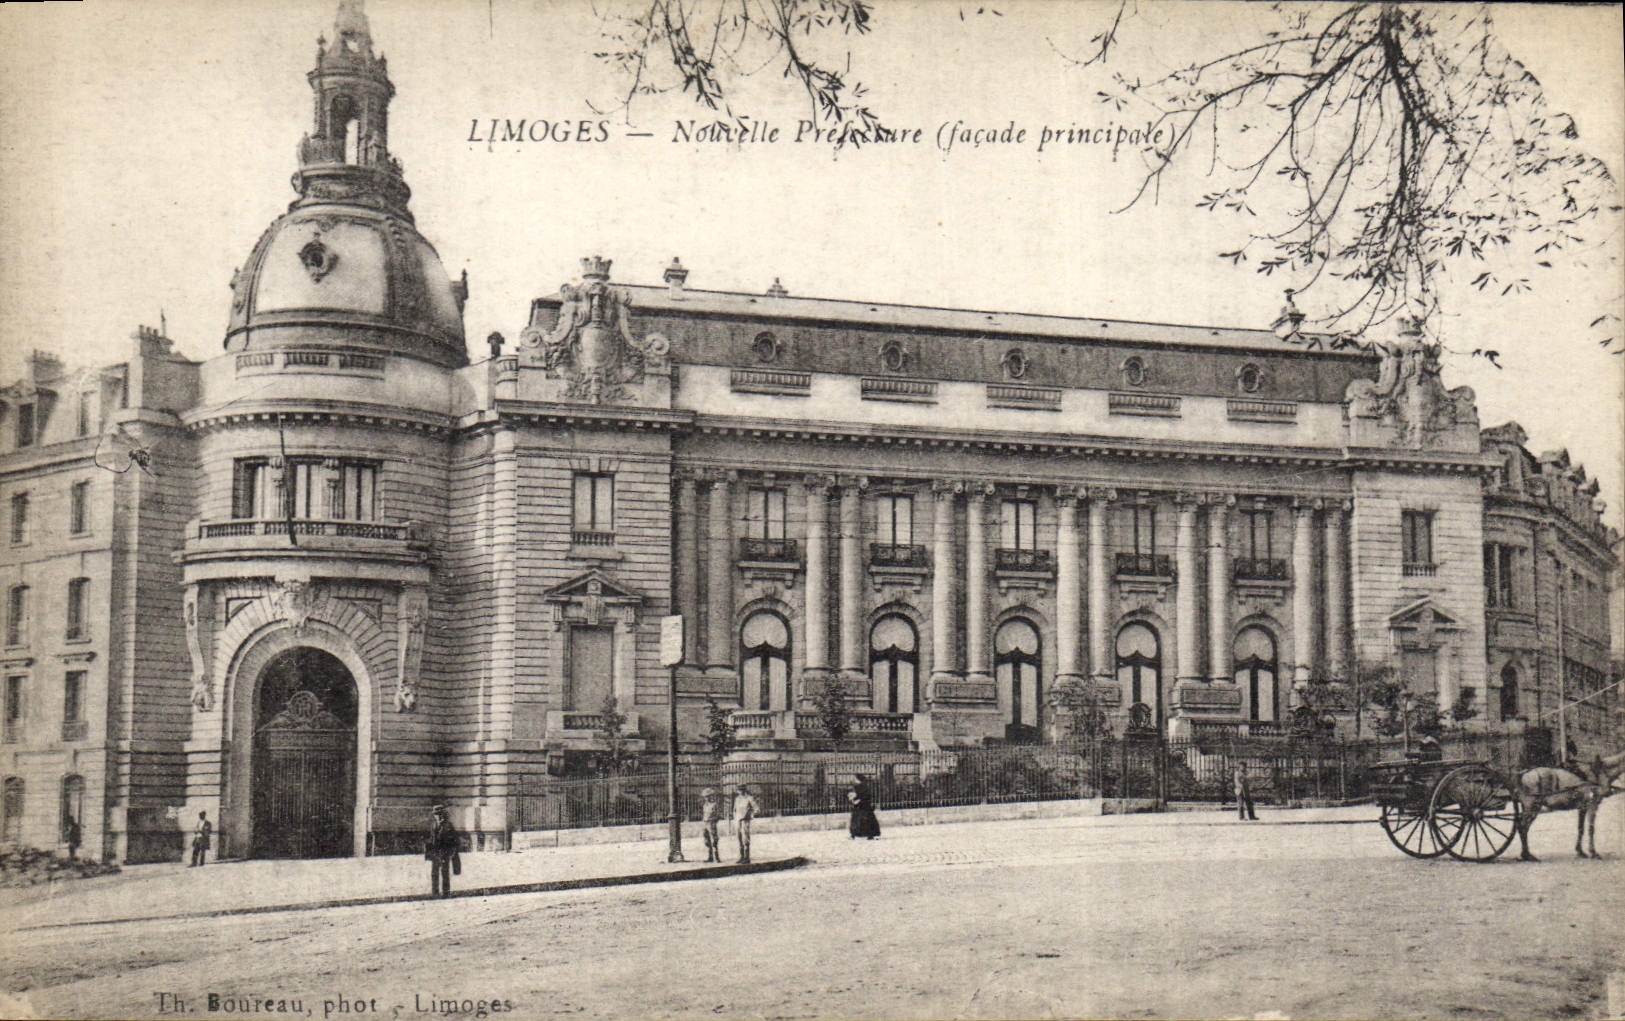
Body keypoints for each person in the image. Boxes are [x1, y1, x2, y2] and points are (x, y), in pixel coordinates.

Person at [425, 804, 461, 897]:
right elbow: (431, 838)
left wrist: (450, 853)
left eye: (439, 814)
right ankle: (435, 893)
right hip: (435, 853)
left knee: (445, 873)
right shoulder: (434, 825)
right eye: (435, 814)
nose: (437, 816)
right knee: (434, 873)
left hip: (444, 853)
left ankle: (446, 893)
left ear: (443, 814)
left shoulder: (448, 826)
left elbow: (454, 840)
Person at [732, 784, 759, 864]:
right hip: (738, 820)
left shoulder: (749, 798)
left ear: (744, 790)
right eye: (738, 790)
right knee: (739, 838)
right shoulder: (737, 799)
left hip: (745, 821)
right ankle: (741, 856)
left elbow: (756, 809)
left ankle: (747, 857)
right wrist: (735, 818)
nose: (739, 792)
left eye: (741, 790)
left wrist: (751, 815)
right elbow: (734, 809)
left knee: (745, 839)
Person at [700, 788, 722, 863]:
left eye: (708, 796)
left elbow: (718, 815)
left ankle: (716, 857)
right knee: (706, 841)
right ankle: (710, 857)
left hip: (711, 823)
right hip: (705, 823)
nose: (706, 798)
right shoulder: (705, 805)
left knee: (714, 840)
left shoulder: (714, 804)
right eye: (705, 797)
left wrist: (714, 821)